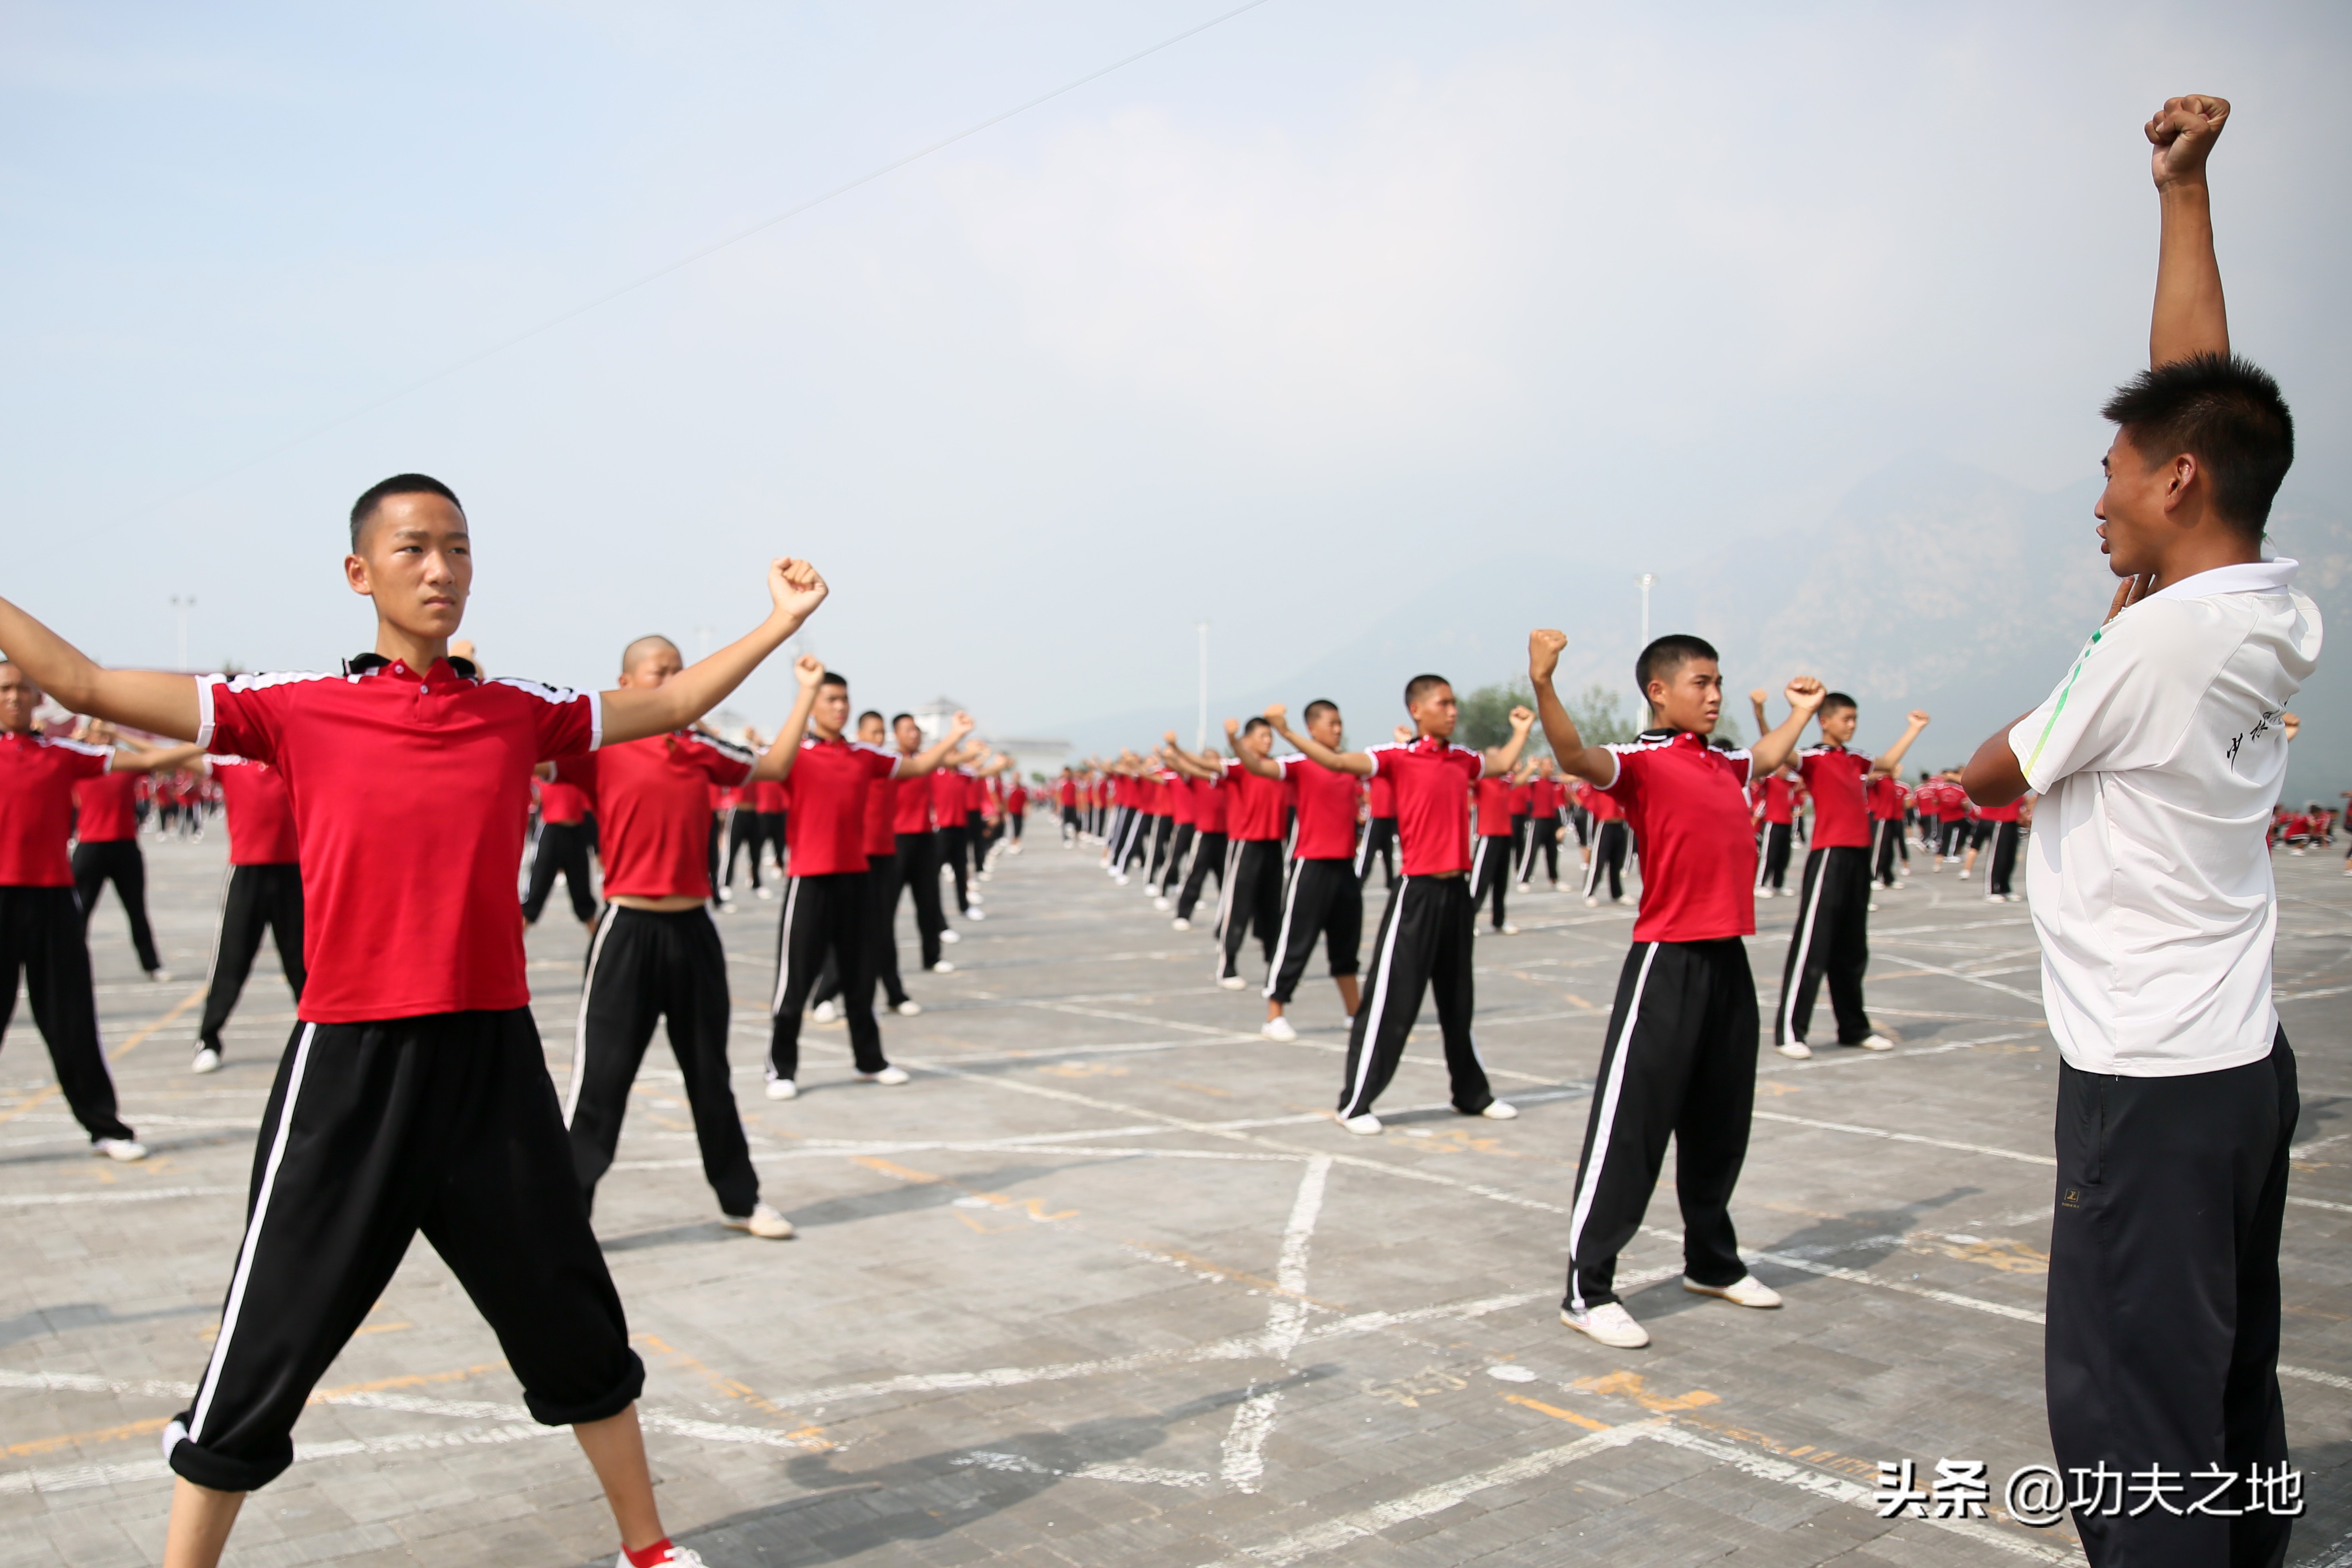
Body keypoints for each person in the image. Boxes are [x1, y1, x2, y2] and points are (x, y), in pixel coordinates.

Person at [0, 475, 823, 1568]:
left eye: (458, 548)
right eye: (413, 548)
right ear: (361, 572)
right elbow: (80, 677)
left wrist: (779, 620)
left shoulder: (514, 709)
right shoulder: (293, 703)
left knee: (568, 1306)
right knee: (268, 1333)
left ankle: (647, 1545)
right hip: (353, 1061)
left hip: (493, 1060)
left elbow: (668, 709)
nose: (439, 568)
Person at [1958, 96, 2317, 1568]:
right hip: (2232, 1060)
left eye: (2110, 472)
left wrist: (2087, 640)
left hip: (2142, 1081)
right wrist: (2181, 196)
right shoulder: (2262, 603)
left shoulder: (2147, 648)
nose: (2092, 497)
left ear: (2173, 481)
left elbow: (1990, 774)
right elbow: (2194, 388)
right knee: (2222, 1379)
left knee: (2127, 1419)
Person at [1534, 629, 1821, 1349]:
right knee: (1631, 1128)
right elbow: (1574, 758)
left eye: (1719, 681)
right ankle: (1586, 1286)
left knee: (1721, 1124)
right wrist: (1545, 683)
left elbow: (1769, 754)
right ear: (1659, 691)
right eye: (1701, 682)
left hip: (1729, 958)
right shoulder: (1639, 761)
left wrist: (1801, 712)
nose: (1716, 694)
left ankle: (1712, 1262)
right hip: (1666, 962)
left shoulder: (1725, 761)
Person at [559, 640, 829, 1244]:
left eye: (683, 672)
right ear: (625, 681)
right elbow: (520, 753)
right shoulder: (600, 747)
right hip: (626, 930)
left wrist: (807, 692)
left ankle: (740, 1199)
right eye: (664, 672)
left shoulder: (699, 747)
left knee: (709, 1074)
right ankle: (567, 1217)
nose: (679, 681)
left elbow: (774, 766)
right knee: (602, 1081)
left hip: (694, 931)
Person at [1274, 675, 1531, 1133]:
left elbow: (1501, 763)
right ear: (1418, 709)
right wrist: (1290, 733)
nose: (1453, 710)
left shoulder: (1462, 759)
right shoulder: (1397, 758)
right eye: (1444, 703)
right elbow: (1335, 758)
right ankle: (1355, 1102)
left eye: (1455, 703)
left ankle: (1471, 1093)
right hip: (1417, 893)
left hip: (1457, 894)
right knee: (1392, 1001)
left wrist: (1521, 731)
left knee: (1458, 1001)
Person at [764, 674, 967, 1101]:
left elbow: (918, 766)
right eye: (831, 699)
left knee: (861, 977)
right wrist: (804, 692)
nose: (840, 707)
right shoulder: (792, 756)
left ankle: (869, 1060)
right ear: (813, 705)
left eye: (844, 699)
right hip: (809, 879)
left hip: (856, 877)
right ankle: (781, 1068)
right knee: (795, 980)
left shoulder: (863, 755)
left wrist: (954, 736)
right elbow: (765, 764)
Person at [0, 672, 161, 1160]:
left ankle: (105, 1126)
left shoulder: (61, 754)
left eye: (20, 689)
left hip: (53, 900)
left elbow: (146, 760)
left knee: (71, 1020)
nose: (13, 698)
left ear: (38, 699)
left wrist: (215, 750)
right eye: (4, 690)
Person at [1767, 693, 1928, 1059]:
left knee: (1853, 948)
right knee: (1813, 943)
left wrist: (1913, 729)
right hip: (1830, 855)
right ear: (1826, 721)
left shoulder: (1856, 759)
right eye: (1847, 718)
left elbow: (1887, 762)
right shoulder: (1813, 757)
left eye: (1855, 718)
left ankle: (1853, 1027)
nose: (1852, 724)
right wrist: (1768, 713)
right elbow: (1779, 753)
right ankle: (1790, 1030)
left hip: (1859, 855)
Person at [168, 750, 306, 1074]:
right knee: (231, 961)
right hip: (246, 875)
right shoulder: (230, 765)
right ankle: (208, 1039)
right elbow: (168, 758)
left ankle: (319, 1036)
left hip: (293, 875)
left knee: (304, 964)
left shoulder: (297, 759)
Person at [1250, 704, 1364, 1041]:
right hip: (1311, 865)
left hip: (1344, 865)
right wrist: (1237, 739)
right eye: (1332, 724)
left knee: (1346, 944)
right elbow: (1257, 766)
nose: (1338, 729)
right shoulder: (1300, 764)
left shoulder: (1349, 765)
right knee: (1297, 941)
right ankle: (1275, 1014)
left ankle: (1354, 1012)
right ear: (1312, 729)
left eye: (1341, 722)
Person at [66, 720, 189, 981]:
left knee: (137, 911)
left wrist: (119, 733)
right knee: (78, 913)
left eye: (106, 732)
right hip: (90, 847)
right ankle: (68, 968)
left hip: (125, 847)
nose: (103, 737)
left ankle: (152, 965)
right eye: (98, 732)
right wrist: (76, 737)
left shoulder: (124, 765)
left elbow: (156, 757)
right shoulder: (77, 763)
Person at [1171, 719, 1286, 990]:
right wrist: (1176, 748)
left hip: (1274, 846)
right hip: (1246, 845)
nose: (1268, 741)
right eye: (1262, 736)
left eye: (1270, 736)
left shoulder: (1277, 768)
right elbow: (1203, 766)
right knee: (1238, 906)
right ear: (1248, 741)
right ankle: (1228, 965)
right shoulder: (1238, 767)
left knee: (1272, 910)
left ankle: (1275, 965)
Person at [523, 765, 598, 930]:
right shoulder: (549, 767)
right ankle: (510, 951)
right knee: (533, 899)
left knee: (584, 901)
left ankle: (605, 953)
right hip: (552, 832)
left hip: (577, 832)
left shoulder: (581, 768)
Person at [1468, 759, 1522, 935]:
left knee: (1501, 882)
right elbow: (1465, 779)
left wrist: (1529, 767)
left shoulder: (1505, 782)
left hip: (1505, 835)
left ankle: (1499, 920)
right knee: (1479, 882)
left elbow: (1520, 780)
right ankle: (1468, 919)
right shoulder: (1481, 781)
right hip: (1488, 836)